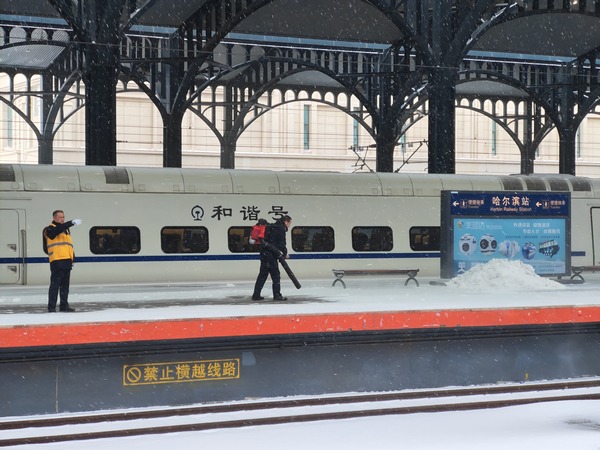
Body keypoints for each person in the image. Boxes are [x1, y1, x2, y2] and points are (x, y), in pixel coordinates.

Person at [44, 210, 82, 312]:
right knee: (55, 285)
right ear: (54, 218)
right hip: (57, 260)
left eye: (63, 217)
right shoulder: (50, 228)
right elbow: (54, 232)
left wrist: (73, 258)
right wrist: (70, 223)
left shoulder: (66, 230)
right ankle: (51, 307)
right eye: (60, 217)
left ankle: (64, 305)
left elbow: (69, 246)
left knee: (65, 286)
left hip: (67, 260)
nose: (62, 219)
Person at [252, 215, 292, 301]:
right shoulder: (280, 228)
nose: (289, 225)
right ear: (286, 222)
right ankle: (277, 295)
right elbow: (282, 244)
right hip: (271, 255)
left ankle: (256, 294)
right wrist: (284, 254)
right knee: (276, 276)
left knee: (262, 275)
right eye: (290, 223)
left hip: (264, 254)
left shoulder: (271, 227)